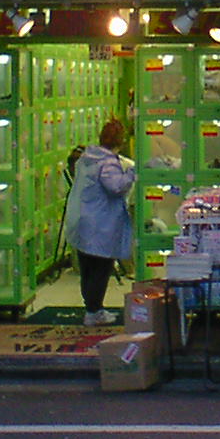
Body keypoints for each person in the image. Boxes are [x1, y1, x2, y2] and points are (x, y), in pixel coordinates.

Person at [64, 118, 135, 326]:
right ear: (120, 142)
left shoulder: (87, 157)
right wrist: (131, 172)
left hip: (81, 219)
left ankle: (90, 307)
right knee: (101, 267)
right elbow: (116, 186)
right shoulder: (108, 162)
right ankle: (94, 312)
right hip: (100, 223)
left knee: (87, 268)